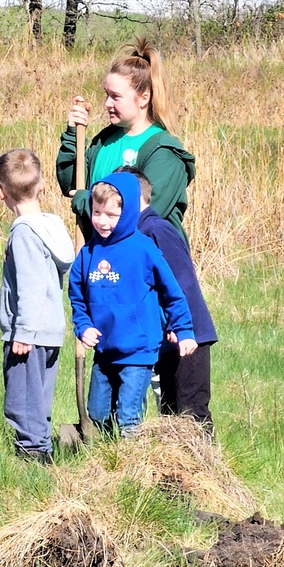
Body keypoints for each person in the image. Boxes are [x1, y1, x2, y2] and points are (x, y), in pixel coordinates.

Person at [68, 173, 196, 437]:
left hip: (139, 349)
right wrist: (83, 326)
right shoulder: (88, 254)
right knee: (98, 413)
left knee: (128, 417)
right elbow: (77, 296)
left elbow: (172, 292)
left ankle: (132, 467)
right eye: (96, 212)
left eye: (111, 215)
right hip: (104, 349)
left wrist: (183, 329)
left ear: (127, 214)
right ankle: (107, 458)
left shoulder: (144, 250)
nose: (102, 221)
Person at [56, 37, 195, 238]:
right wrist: (72, 136)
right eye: (106, 94)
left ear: (144, 98)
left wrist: (86, 202)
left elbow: (141, 218)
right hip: (103, 263)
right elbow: (71, 185)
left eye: (115, 96)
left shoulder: (165, 153)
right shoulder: (104, 141)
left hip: (146, 266)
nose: (106, 103)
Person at [122, 168, 217, 435]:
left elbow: (182, 281)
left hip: (188, 337)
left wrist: (180, 326)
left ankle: (205, 473)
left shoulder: (156, 229)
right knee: (171, 414)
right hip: (165, 338)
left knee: (191, 414)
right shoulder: (134, 233)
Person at [0, 149, 74, 464]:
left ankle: (32, 456)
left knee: (23, 400)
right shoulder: (52, 226)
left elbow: (28, 286)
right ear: (41, 184)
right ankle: (41, 449)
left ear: (1, 192)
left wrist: (23, 332)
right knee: (38, 397)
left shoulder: (25, 233)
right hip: (50, 330)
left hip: (30, 334)